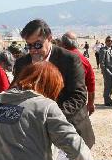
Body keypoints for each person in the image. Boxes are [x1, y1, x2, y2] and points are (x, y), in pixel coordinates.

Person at [14, 19, 95, 147]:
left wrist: (51, 118)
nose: (33, 50)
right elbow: (18, 94)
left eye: (37, 45)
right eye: (29, 46)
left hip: (70, 128)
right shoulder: (21, 63)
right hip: (36, 135)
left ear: (49, 38)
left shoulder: (69, 59)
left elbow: (78, 97)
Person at [61, 32, 96, 115]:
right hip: (79, 102)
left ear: (63, 44)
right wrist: (90, 103)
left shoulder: (58, 58)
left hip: (60, 103)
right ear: (76, 43)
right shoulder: (84, 60)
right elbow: (91, 83)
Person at [99, 36, 112, 106]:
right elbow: (102, 62)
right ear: (105, 42)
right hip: (107, 71)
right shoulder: (103, 50)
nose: (110, 42)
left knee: (111, 86)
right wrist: (105, 71)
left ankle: (109, 99)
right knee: (107, 86)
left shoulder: (111, 50)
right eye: (108, 41)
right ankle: (107, 101)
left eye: (111, 41)